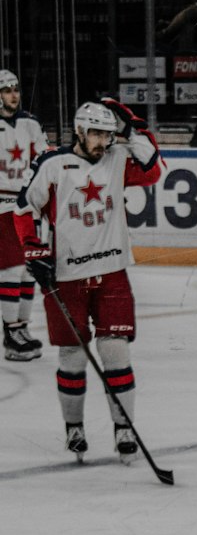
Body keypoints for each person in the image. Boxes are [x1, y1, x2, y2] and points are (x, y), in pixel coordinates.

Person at [15, 99, 162, 461]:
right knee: (72, 357)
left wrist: (130, 130)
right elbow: (23, 208)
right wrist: (33, 251)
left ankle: (123, 427)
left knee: (116, 351)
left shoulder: (117, 159)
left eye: (108, 135)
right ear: (79, 131)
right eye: (97, 133)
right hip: (66, 277)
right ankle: (74, 428)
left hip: (111, 272)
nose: (103, 142)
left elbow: (153, 168)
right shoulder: (53, 165)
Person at [0, 69, 47, 362]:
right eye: (6, 90)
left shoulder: (30, 123)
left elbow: (43, 159)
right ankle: (10, 333)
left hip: (26, 205)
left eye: (15, 89)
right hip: (1, 205)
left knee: (30, 268)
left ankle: (23, 329)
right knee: (10, 269)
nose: (13, 95)